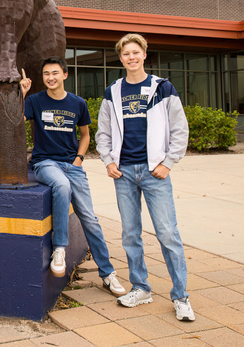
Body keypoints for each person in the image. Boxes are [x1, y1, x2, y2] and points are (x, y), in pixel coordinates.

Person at [96, 33, 194, 322]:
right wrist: (108, 160)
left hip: (154, 172)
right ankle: (141, 287)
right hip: (123, 172)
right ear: (121, 57)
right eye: (126, 53)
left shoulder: (161, 88)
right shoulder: (113, 91)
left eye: (136, 52)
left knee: (167, 234)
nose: (131, 57)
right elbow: (103, 132)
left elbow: (180, 129)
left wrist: (169, 162)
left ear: (144, 55)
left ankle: (181, 297)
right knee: (130, 234)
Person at [21, 56, 126, 295]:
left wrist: (79, 159)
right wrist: (22, 94)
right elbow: (15, 123)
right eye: (46, 74)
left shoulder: (77, 103)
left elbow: (85, 135)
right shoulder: (35, 101)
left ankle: (107, 273)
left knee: (89, 218)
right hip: (45, 162)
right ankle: (60, 249)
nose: (50, 78)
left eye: (55, 73)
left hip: (72, 165)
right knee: (61, 186)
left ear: (65, 75)